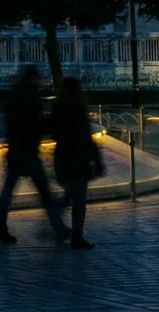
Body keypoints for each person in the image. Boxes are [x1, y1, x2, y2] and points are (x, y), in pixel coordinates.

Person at [0, 65, 69, 244]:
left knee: (7, 192)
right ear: (34, 79)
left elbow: (8, 120)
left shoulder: (14, 96)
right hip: (29, 152)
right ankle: (59, 227)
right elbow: (36, 123)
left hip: (15, 151)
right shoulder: (32, 97)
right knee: (45, 193)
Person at [50, 77, 102, 249]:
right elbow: (86, 137)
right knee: (79, 201)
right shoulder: (79, 109)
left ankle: (57, 218)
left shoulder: (57, 109)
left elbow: (53, 133)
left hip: (62, 158)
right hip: (78, 160)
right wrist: (96, 159)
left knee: (70, 195)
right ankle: (76, 237)